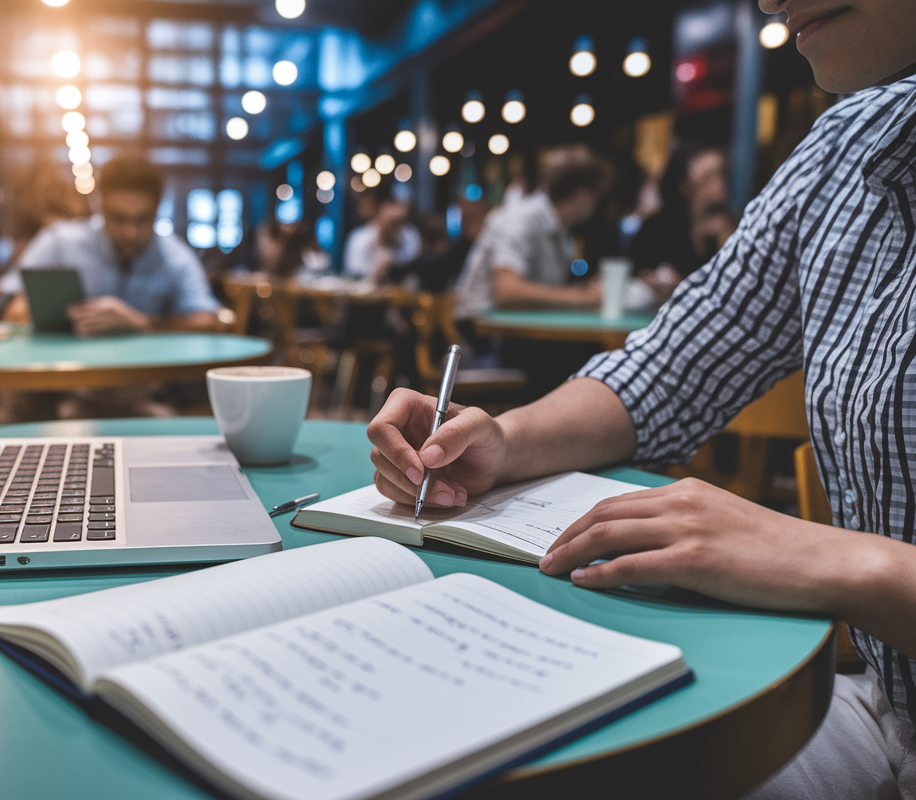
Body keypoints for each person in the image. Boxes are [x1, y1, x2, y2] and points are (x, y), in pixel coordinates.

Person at [368, 0, 916, 796]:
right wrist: (505, 442)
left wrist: (841, 563)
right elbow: (664, 372)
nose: (766, 0)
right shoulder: (846, 143)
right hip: (886, 707)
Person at [0, 156, 220, 336]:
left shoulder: (174, 256)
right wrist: (21, 311)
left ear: (158, 210)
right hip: (63, 379)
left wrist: (144, 323)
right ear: (100, 206)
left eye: (142, 219)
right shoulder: (59, 241)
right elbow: (5, 301)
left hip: (146, 384)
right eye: (119, 218)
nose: (130, 232)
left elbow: (208, 321)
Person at [453, 152, 610, 319]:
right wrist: (579, 297)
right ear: (581, 195)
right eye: (597, 196)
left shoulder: (559, 230)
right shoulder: (522, 218)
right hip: (480, 326)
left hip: (516, 325)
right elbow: (507, 292)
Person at [629, 143, 730, 298]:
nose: (719, 186)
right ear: (684, 187)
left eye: (722, 174)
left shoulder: (727, 228)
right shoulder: (656, 229)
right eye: (708, 178)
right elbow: (634, 276)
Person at [342, 196, 421, 283]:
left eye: (400, 223)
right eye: (393, 223)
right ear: (380, 216)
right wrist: (379, 272)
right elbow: (353, 276)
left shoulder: (409, 236)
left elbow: (414, 276)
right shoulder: (359, 238)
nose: (397, 229)